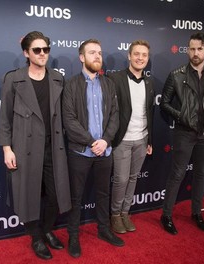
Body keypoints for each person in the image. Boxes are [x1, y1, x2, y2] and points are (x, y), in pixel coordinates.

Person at [0, 31, 71, 260]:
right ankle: (36, 237)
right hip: (24, 148)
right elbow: (4, 117)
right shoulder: (14, 78)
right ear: (26, 53)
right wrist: (7, 148)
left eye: (45, 49)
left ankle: (47, 229)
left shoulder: (58, 78)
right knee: (27, 194)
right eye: (37, 50)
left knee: (56, 194)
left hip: (53, 147)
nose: (42, 54)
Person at [160, 32, 204, 235]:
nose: (195, 53)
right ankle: (166, 215)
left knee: (200, 174)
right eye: (191, 49)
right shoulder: (177, 74)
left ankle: (196, 213)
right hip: (184, 133)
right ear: (187, 50)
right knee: (177, 175)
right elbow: (164, 103)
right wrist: (181, 115)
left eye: (199, 49)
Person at [62, 39, 124, 258]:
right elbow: (69, 120)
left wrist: (105, 140)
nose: (97, 56)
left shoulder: (108, 84)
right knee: (76, 198)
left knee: (103, 193)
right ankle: (73, 236)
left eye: (99, 52)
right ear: (82, 57)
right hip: (80, 152)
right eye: (92, 53)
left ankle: (104, 230)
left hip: (105, 151)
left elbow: (115, 116)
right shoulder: (70, 85)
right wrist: (91, 142)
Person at [107, 40, 155, 234]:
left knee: (133, 177)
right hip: (122, 140)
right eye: (136, 54)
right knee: (120, 179)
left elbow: (150, 113)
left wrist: (150, 140)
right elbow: (109, 111)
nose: (140, 58)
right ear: (129, 56)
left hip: (142, 139)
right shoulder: (116, 78)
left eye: (144, 55)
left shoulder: (150, 82)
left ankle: (125, 212)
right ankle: (115, 215)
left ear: (147, 58)